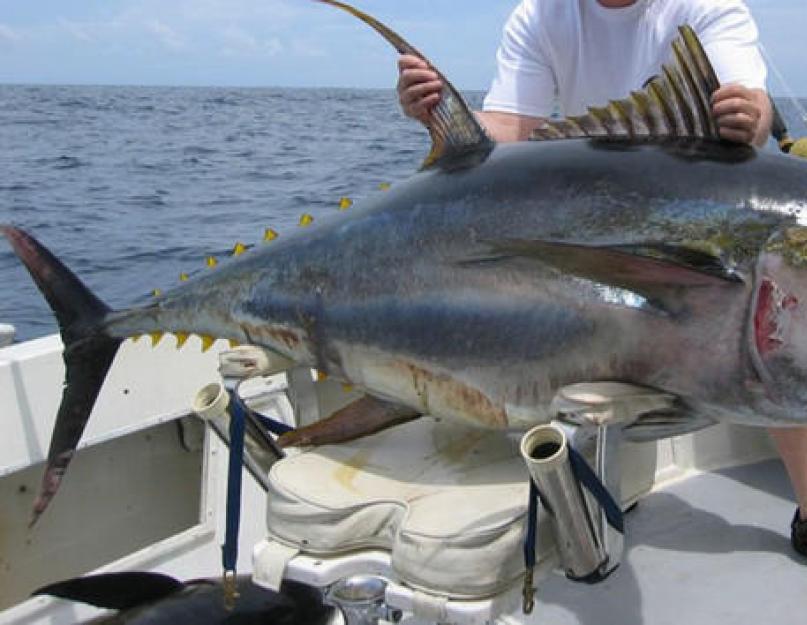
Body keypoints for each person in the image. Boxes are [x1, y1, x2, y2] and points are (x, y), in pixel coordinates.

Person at [397, 0, 807, 557]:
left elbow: (749, 109)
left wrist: (752, 117)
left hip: (695, 220)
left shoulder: (707, 6)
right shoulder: (542, 15)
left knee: (778, 352)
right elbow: (509, 130)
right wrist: (438, 114)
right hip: (586, 223)